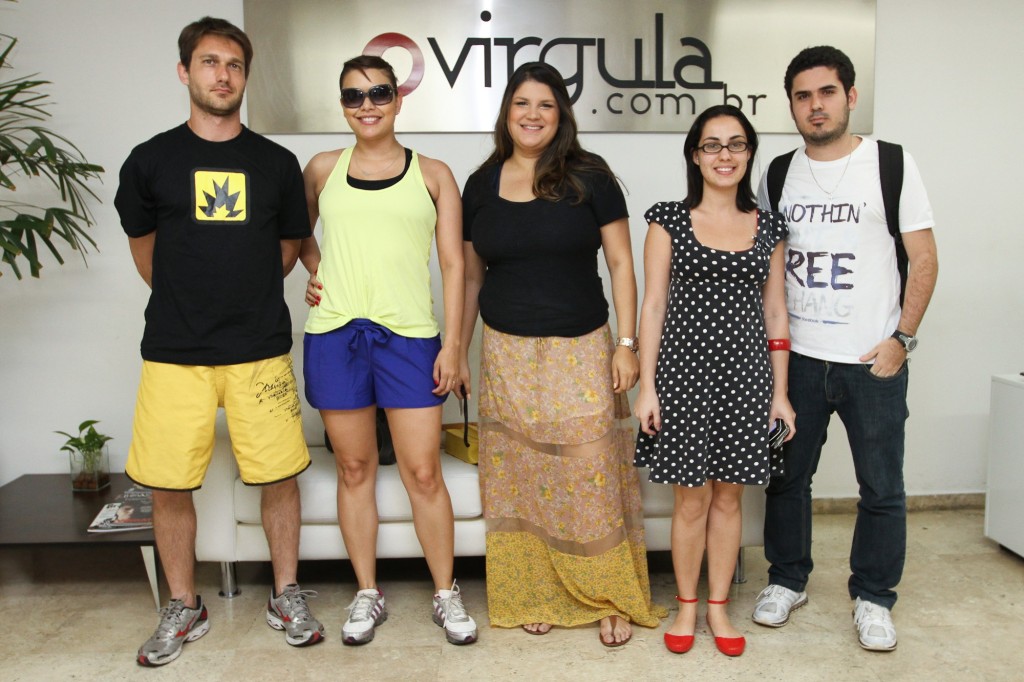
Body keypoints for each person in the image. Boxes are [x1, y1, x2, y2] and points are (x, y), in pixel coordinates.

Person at [115, 17, 323, 667]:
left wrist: (238, 295)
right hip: (175, 350)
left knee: (279, 476)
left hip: (259, 344)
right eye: (209, 62)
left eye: (233, 64)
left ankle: (285, 593)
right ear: (185, 72)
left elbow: (288, 252)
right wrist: (192, 299)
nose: (222, 75)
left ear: (245, 77)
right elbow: (146, 257)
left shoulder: (276, 163)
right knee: (169, 484)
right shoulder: (150, 160)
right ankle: (185, 603)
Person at [459, 61, 666, 647]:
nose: (532, 115)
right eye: (521, 103)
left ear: (561, 115)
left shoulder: (591, 177)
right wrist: (458, 349)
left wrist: (627, 345)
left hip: (581, 348)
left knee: (589, 474)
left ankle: (607, 596)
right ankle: (536, 591)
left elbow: (622, 264)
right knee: (521, 477)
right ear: (506, 112)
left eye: (545, 105)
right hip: (505, 353)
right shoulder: (482, 183)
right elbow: (471, 279)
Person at [751, 46, 938, 652]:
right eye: (803, 96)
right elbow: (766, 269)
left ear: (850, 96)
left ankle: (875, 597)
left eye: (826, 92)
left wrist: (902, 340)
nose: (815, 105)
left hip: (869, 360)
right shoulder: (777, 173)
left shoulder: (891, 163)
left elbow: (925, 258)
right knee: (787, 478)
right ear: (792, 106)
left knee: (881, 485)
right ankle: (787, 580)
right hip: (799, 358)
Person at [299, 55, 477, 646]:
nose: (367, 105)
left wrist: (454, 345)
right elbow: (296, 232)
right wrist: (316, 268)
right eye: (353, 96)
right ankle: (367, 594)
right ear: (342, 103)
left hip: (410, 338)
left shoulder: (433, 173)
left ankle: (446, 595)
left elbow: (454, 264)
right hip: (335, 335)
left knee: (423, 472)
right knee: (354, 468)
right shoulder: (322, 168)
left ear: (399, 99)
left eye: (378, 93)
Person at [634, 105, 795, 657]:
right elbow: (653, 305)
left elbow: (776, 314)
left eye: (735, 144)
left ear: (749, 153)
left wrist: (780, 394)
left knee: (730, 499)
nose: (724, 155)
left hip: (746, 379)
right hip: (682, 378)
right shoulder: (668, 219)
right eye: (712, 145)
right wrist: (647, 387)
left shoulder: (769, 227)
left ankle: (720, 608)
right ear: (695, 155)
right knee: (691, 500)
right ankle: (685, 606)